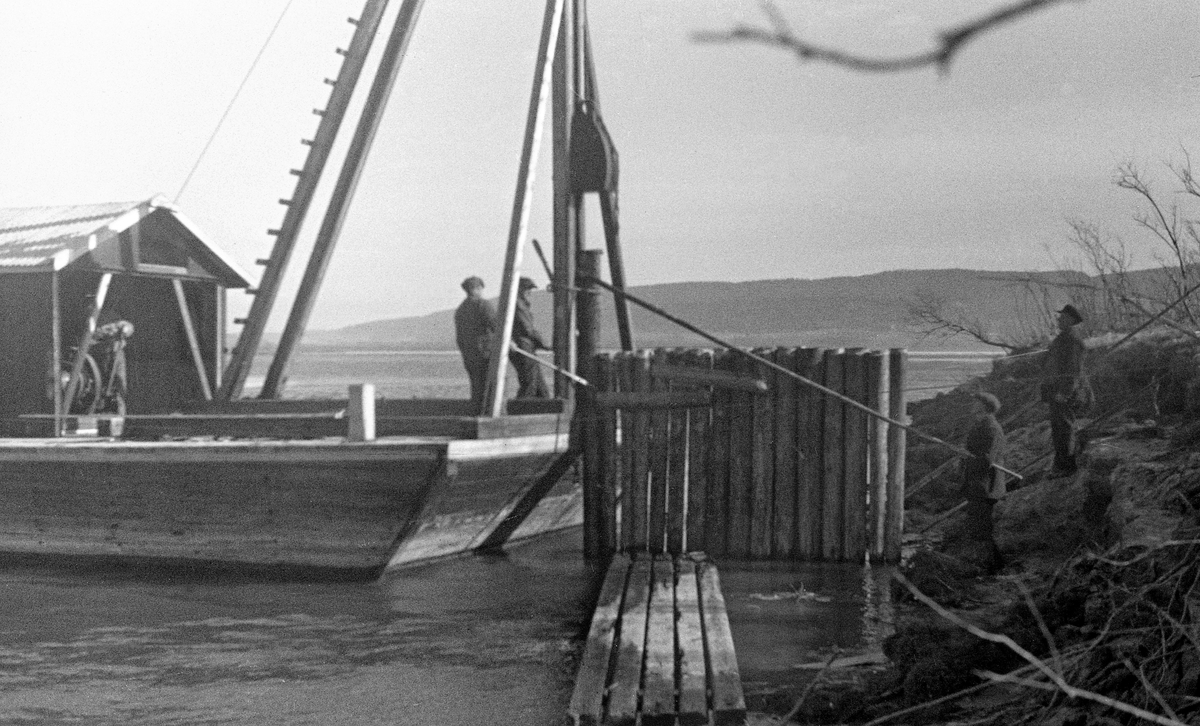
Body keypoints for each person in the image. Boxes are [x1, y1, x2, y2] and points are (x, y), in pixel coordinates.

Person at [1041, 304, 1087, 476]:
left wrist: (1065, 392)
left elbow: (1073, 370)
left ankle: (1067, 467)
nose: (1058, 320)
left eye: (1062, 318)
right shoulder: (1063, 339)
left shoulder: (1073, 341)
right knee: (1058, 429)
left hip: (1065, 393)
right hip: (1056, 391)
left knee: (1065, 429)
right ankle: (1060, 465)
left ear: (1070, 320)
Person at [454, 276, 496, 407]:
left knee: (476, 386)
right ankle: (489, 412)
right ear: (477, 288)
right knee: (490, 385)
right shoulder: (483, 305)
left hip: (469, 354)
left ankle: (476, 410)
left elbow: (459, 337)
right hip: (485, 353)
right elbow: (495, 325)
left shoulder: (460, 310)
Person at [510, 276, 550, 398]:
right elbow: (527, 330)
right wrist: (546, 344)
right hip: (523, 347)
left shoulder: (519, 304)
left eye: (530, 289)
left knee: (539, 385)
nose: (529, 292)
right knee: (529, 383)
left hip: (526, 347)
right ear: (518, 289)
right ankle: (521, 410)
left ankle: (545, 407)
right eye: (526, 289)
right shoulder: (518, 305)